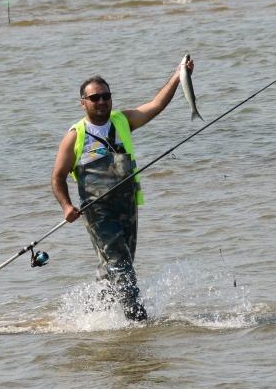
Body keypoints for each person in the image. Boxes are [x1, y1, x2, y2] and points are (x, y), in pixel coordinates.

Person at [51, 58, 194, 321]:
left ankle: (98, 313)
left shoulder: (122, 120)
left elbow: (156, 105)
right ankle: (135, 318)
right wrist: (67, 206)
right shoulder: (76, 134)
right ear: (83, 102)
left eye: (106, 96)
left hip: (127, 207)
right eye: (95, 98)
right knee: (120, 261)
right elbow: (57, 177)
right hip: (98, 211)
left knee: (116, 263)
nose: (102, 101)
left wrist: (178, 76)